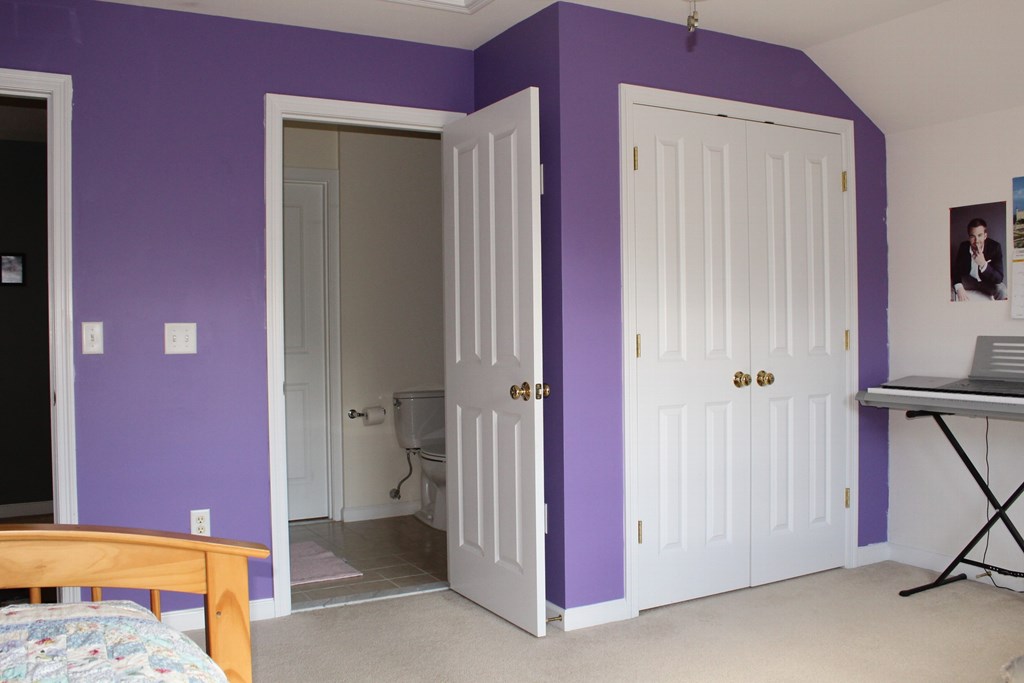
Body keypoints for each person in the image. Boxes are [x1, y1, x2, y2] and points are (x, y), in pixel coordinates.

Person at [951, 217, 1007, 301]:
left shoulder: (995, 247)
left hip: (987, 282)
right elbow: (956, 271)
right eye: (973, 236)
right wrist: (959, 288)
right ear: (969, 237)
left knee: (1002, 290)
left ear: (985, 236)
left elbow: (999, 278)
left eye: (980, 235)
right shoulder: (963, 246)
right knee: (949, 285)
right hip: (969, 280)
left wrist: (983, 264)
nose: (976, 240)